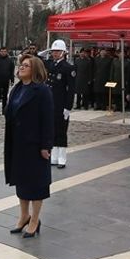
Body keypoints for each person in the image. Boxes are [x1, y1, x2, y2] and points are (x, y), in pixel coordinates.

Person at [4, 54, 55, 238]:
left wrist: (45, 145)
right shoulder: (17, 88)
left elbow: (48, 119)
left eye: (26, 65)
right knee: (21, 180)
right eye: (21, 65)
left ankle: (35, 219)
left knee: (36, 183)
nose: (21, 67)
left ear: (35, 70)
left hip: (34, 144)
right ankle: (24, 215)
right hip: (18, 142)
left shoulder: (42, 91)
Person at [45, 40, 75, 168]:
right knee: (52, 129)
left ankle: (62, 157)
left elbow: (71, 89)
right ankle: (54, 156)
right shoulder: (51, 65)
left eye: (57, 51)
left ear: (63, 52)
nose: (55, 53)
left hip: (61, 103)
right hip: (51, 103)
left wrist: (68, 107)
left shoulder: (68, 67)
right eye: (53, 51)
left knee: (61, 130)